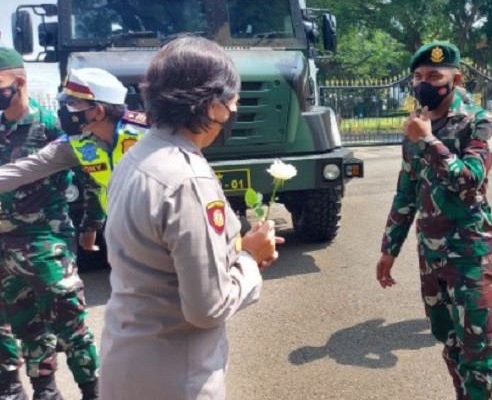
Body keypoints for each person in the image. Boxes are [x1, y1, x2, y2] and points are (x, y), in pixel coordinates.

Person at [98, 35, 282, 400]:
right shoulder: (187, 180)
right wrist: (249, 258)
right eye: (232, 104)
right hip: (175, 377)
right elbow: (207, 307)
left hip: (126, 360)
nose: (232, 113)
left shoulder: (135, 157)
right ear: (212, 107)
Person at [376, 41, 492, 400]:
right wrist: (389, 248)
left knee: (478, 354)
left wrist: (429, 140)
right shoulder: (419, 125)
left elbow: (468, 178)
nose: (423, 83)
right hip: (430, 256)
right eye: (417, 76)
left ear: (456, 78)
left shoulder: (479, 123)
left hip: (467, 254)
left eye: (434, 75)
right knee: (450, 345)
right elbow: (406, 191)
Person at [0, 48, 99, 400]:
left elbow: (93, 178)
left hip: (46, 242)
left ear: (19, 82)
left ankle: (93, 391)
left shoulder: (52, 126)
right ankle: (43, 391)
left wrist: (91, 225)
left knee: (70, 326)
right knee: (27, 329)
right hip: (5, 249)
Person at [0, 67, 148, 253]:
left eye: (72, 104)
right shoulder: (77, 143)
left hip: (166, 226)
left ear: (98, 112)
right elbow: (26, 169)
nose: (65, 111)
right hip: (126, 234)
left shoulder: (149, 133)